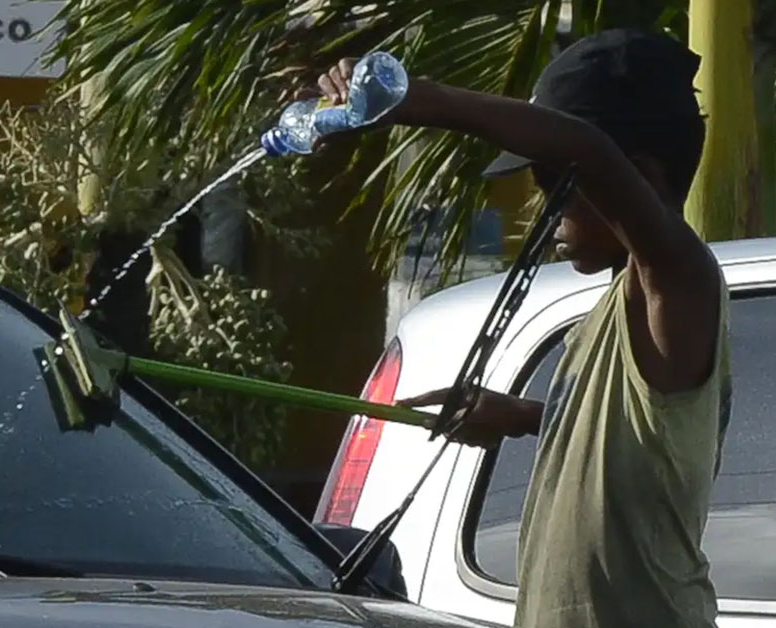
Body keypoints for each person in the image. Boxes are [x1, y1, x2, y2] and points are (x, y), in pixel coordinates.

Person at [313, 29, 731, 628]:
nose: (544, 209)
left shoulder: (681, 281)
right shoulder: (617, 311)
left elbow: (591, 152)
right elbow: (648, 443)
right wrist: (528, 418)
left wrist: (423, 100)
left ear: (639, 178)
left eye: (552, 183)